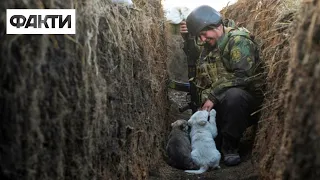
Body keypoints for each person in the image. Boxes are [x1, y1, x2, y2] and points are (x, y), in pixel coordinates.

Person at [180, 5, 265, 166]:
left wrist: (213, 96)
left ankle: (231, 147)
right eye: (200, 36)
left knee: (234, 95)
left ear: (217, 26)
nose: (203, 39)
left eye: (204, 34)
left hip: (243, 104)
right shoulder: (210, 45)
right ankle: (221, 139)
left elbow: (243, 76)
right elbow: (194, 57)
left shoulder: (238, 41)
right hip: (221, 106)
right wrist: (188, 39)